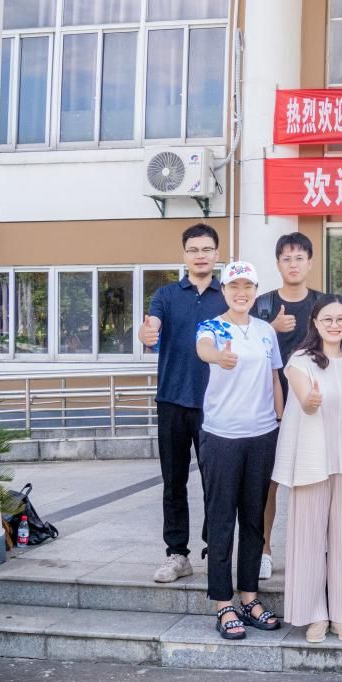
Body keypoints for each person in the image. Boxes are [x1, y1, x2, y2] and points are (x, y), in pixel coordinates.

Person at [273, 295, 342, 644]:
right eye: (327, 319)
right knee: (309, 539)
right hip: (311, 460)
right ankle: (314, 614)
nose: (334, 325)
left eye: (340, 319)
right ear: (315, 323)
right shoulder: (300, 360)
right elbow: (304, 397)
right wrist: (311, 400)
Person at [193, 261, 283, 640]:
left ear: (255, 291)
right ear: (224, 291)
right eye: (234, 286)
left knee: (253, 520)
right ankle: (222, 602)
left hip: (262, 434)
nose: (241, 293)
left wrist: (281, 422)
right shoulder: (212, 328)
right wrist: (218, 357)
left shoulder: (265, 331)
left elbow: (274, 378)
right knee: (221, 519)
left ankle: (249, 597)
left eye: (247, 286)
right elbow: (203, 350)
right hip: (221, 436)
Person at [140, 223, 227, 584]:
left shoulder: (228, 296)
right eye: (193, 250)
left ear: (217, 254)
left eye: (206, 249)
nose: (200, 255)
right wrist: (147, 332)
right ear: (185, 255)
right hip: (172, 400)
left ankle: (216, 549)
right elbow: (151, 326)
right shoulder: (166, 295)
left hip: (217, 404)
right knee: (173, 482)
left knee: (215, 481)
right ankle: (177, 554)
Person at [254, 232, 323, 581]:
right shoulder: (262, 304)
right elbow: (243, 345)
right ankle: (263, 549)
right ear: (278, 264)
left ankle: (316, 550)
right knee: (268, 482)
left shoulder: (324, 304)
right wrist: (271, 328)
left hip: (315, 406)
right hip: (269, 407)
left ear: (310, 262)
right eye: (286, 258)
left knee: (316, 480)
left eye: (299, 258)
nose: (293, 264)